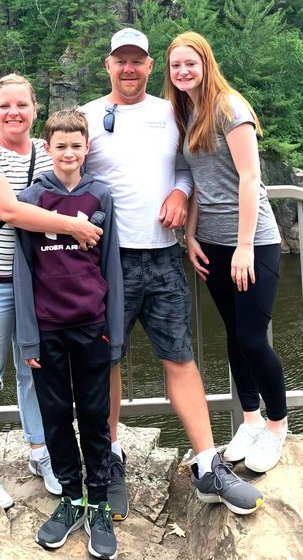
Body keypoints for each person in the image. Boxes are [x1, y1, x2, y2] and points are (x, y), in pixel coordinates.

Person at [80, 28, 264, 518]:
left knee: (179, 357)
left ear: (147, 66)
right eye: (120, 61)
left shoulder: (173, 113)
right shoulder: (89, 117)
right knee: (108, 361)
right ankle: (108, 455)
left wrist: (181, 194)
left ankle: (207, 465)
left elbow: (190, 169)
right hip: (109, 260)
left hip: (163, 258)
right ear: (108, 65)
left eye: (138, 61)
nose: (129, 69)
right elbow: (64, 173)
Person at [0, 74, 103, 509]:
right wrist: (74, 227)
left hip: (38, 283)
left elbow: (79, 184)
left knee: (33, 370)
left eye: (22, 104)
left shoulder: (47, 153)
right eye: (5, 105)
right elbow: (8, 210)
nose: (14, 112)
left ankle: (41, 453)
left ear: (35, 110)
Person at [165, 31, 288, 473]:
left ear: (206, 63)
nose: (183, 71)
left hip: (251, 243)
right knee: (235, 337)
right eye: (176, 65)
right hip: (212, 243)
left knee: (254, 338)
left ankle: (277, 427)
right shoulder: (188, 110)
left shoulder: (229, 108)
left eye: (190, 63)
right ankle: (251, 421)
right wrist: (191, 236)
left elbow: (250, 178)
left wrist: (243, 246)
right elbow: (198, 182)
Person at [13, 109, 123, 560]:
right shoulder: (30, 198)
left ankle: (98, 501)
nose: (69, 153)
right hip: (47, 328)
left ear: (86, 148)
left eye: (76, 145)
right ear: (47, 148)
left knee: (95, 416)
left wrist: (113, 333)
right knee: (56, 417)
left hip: (91, 324)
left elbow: (110, 263)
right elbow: (23, 270)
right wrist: (28, 338)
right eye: (60, 146)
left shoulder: (101, 195)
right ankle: (71, 498)